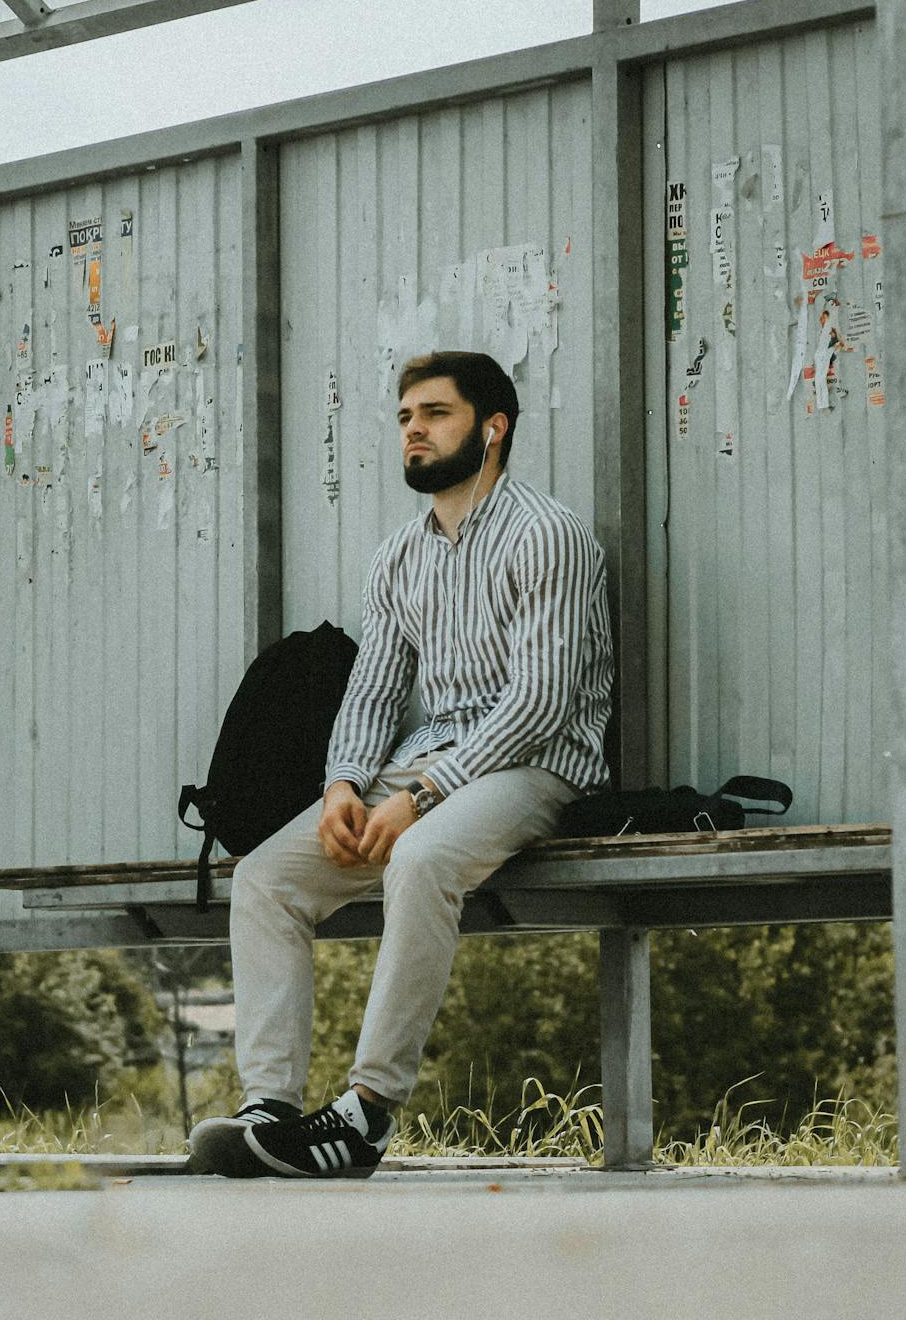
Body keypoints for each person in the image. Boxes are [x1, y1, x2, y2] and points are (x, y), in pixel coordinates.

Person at [187, 350, 615, 1179]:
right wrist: (343, 785)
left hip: (536, 766)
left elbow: (541, 702)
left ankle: (367, 1115)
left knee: (418, 859)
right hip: (424, 772)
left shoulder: (548, 536)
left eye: (436, 414)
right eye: (405, 417)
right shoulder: (399, 557)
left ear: (492, 430)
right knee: (266, 878)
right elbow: (375, 693)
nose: (414, 430)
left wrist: (417, 798)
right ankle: (270, 1107)